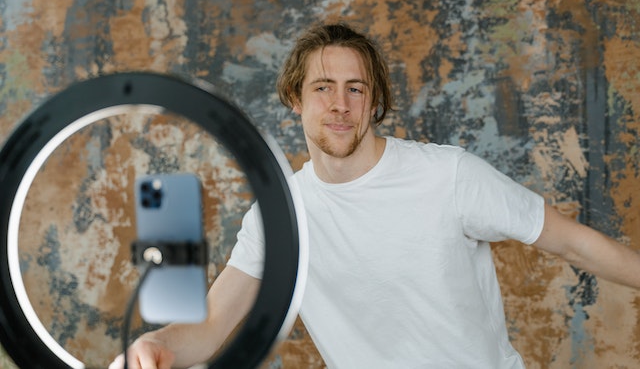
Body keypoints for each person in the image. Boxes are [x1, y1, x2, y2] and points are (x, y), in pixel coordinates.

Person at [110, 23, 640, 369]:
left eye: (355, 88)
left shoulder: (448, 176)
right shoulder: (281, 215)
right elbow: (212, 323)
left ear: (373, 101)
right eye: (323, 87)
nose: (340, 104)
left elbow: (574, 245)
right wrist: (159, 347)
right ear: (296, 100)